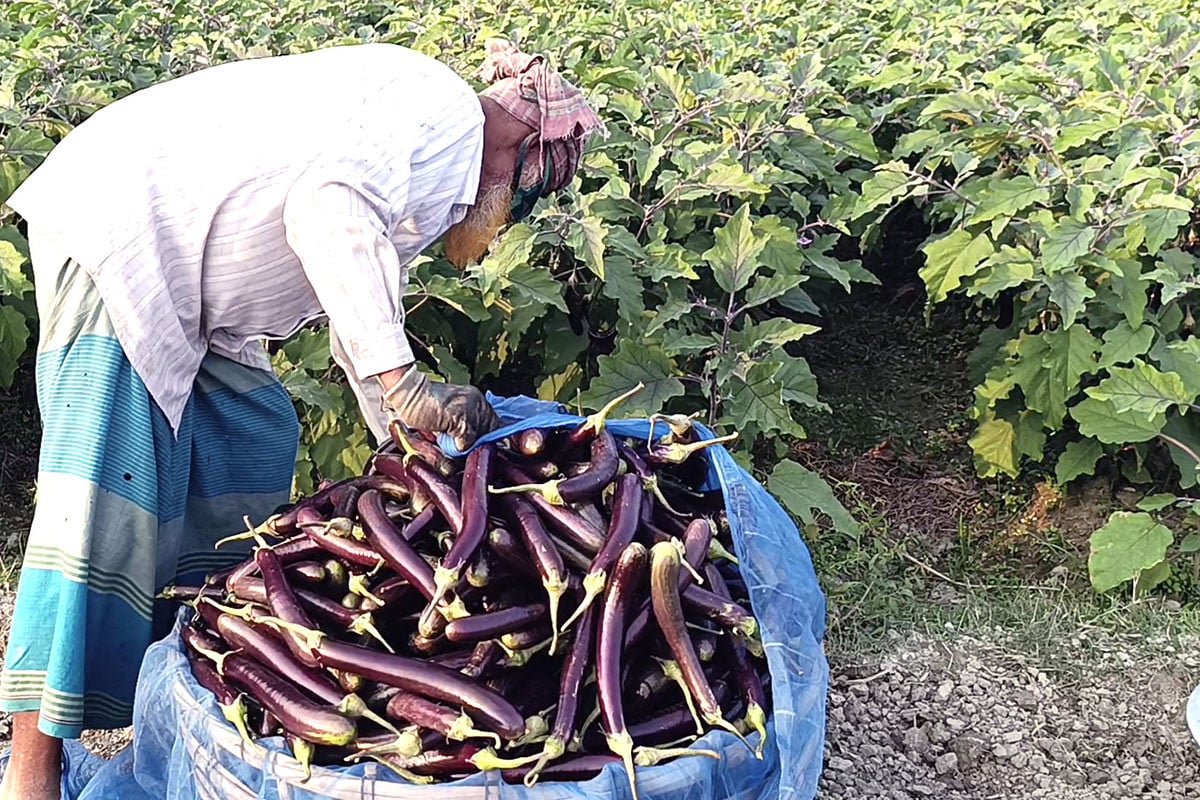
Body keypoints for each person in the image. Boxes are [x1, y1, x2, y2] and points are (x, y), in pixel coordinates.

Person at [0, 38, 604, 800]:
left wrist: (403, 440)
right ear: (520, 143)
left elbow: (360, 305)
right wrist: (409, 388)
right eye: (530, 191)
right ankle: (31, 773)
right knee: (99, 509)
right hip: (127, 242)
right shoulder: (445, 118)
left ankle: (198, 684)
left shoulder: (434, 153)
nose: (513, 214)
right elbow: (328, 211)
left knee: (252, 440)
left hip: (197, 299)